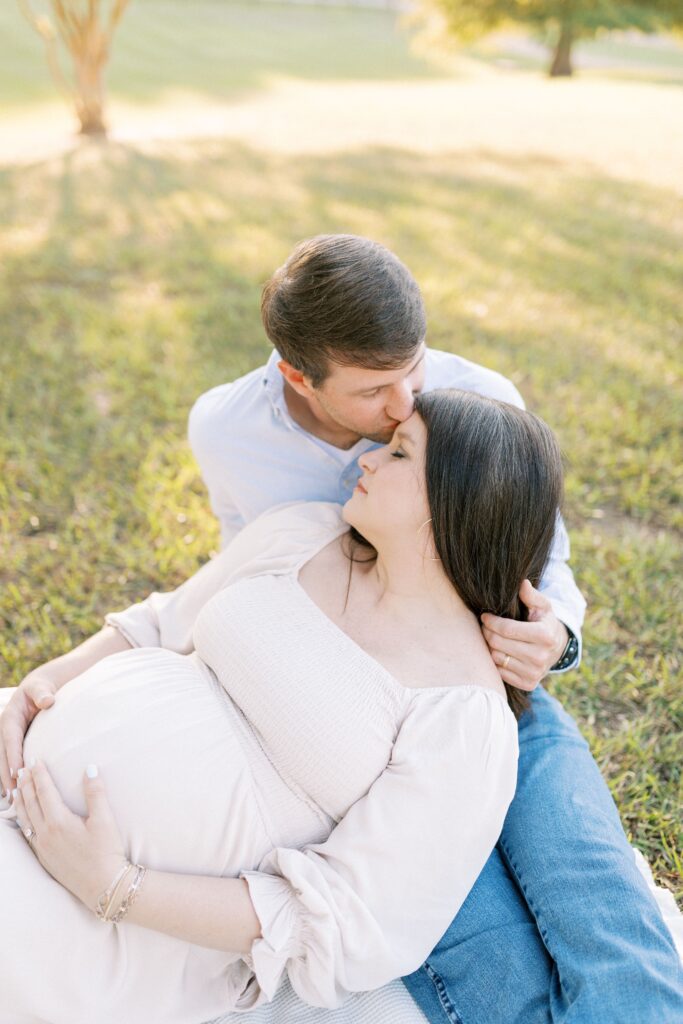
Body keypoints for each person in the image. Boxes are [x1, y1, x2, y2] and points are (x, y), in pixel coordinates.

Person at [1, 235, 681, 1022]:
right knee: (471, 929)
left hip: (499, 679)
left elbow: (536, 559)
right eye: (376, 400)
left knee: (586, 891)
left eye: (410, 391)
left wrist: (554, 636)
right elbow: (179, 610)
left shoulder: (470, 411)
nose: (402, 407)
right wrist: (47, 682)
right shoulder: (260, 472)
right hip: (289, 661)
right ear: (299, 377)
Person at [0, 390, 561, 1024]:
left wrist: (113, 886)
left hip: (112, 923)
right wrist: (37, 686)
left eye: (401, 453)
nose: (368, 461)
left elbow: (351, 918)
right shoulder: (305, 533)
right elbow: (155, 625)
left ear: (459, 501)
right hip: (21, 776)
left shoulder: (464, 718)